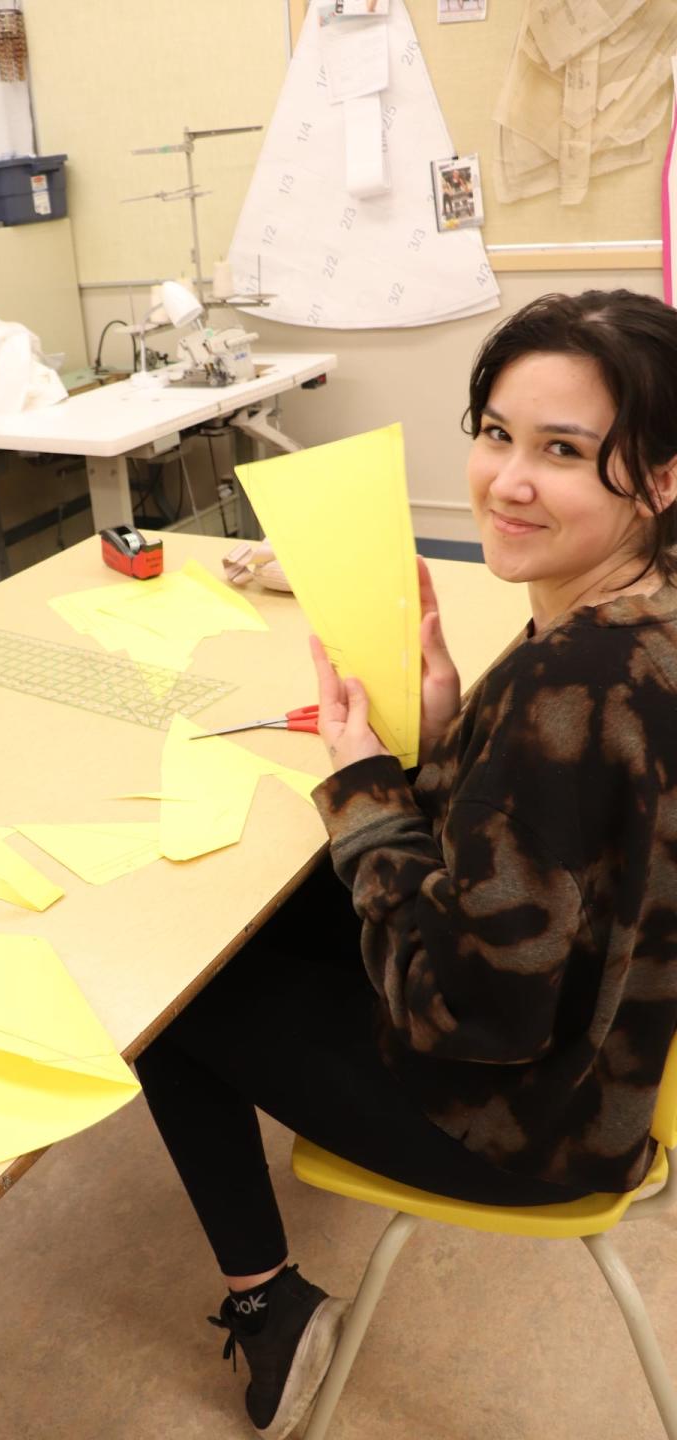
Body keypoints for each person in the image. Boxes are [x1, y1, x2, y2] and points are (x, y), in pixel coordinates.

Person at [135, 289, 677, 1438]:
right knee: (269, 921)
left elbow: (471, 1011)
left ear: (663, 480)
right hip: (614, 1031)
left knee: (171, 996)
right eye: (495, 434)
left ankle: (269, 1306)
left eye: (564, 452)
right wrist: (438, 735)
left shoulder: (570, 683)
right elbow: (538, 856)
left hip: (543, 1118)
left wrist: (367, 785)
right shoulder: (635, 617)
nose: (507, 480)